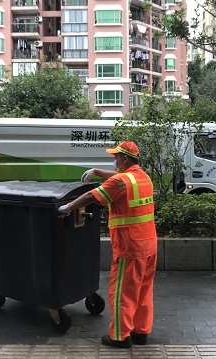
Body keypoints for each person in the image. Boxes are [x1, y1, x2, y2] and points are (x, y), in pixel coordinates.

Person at [58, 141, 157, 349]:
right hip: (149, 245)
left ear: (125, 158)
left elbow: (91, 196)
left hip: (129, 247)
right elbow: (118, 179)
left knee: (122, 292)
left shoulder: (121, 181)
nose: (115, 160)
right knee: (143, 291)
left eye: (116, 157)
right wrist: (96, 171)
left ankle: (120, 337)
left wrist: (67, 207)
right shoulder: (142, 177)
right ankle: (141, 332)